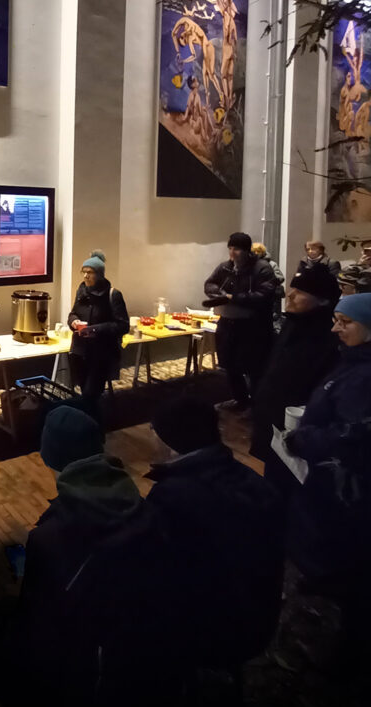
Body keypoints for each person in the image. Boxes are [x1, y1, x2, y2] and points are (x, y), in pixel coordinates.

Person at [4, 407, 142, 707]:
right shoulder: (139, 504)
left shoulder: (52, 536)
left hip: (85, 672)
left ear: (48, 455)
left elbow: (36, 616)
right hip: (140, 654)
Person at [146, 398, 283, 668]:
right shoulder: (255, 483)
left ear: (171, 441)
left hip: (212, 632)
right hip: (262, 619)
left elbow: (157, 573)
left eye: (154, 430)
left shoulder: (171, 498)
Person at [284, 293, 371, 660]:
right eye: (335, 319)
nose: (336, 328)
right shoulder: (352, 360)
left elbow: (357, 433)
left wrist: (306, 438)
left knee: (353, 554)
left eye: (345, 322)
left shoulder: (365, 374)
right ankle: (330, 582)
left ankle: (350, 648)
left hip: (351, 485)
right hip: (334, 479)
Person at [250, 263, 341, 462]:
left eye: (300, 291)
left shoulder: (328, 335)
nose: (290, 295)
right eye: (292, 288)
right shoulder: (293, 322)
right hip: (271, 412)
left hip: (296, 422)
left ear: (323, 300)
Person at [204, 231, 277, 411]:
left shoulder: (261, 268)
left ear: (246, 250)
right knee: (230, 365)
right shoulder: (226, 267)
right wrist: (220, 294)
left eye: (236, 248)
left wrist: (235, 297)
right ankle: (240, 399)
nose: (232, 252)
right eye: (230, 248)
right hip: (228, 323)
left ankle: (258, 404)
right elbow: (210, 284)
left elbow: (264, 295)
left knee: (253, 366)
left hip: (252, 326)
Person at [67, 251, 129, 413]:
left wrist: (95, 329)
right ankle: (89, 422)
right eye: (84, 272)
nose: (86, 276)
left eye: (90, 272)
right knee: (83, 390)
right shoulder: (81, 291)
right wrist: (73, 322)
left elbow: (122, 325)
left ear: (99, 274)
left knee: (90, 394)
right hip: (80, 351)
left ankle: (93, 428)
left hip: (101, 354)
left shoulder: (113, 295)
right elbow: (73, 313)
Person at [252, 241, 286, 328]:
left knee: (273, 322)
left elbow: (280, 278)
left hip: (271, 298)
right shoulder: (250, 264)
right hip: (256, 298)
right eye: (253, 251)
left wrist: (266, 282)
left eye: (257, 251)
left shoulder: (271, 264)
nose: (255, 253)